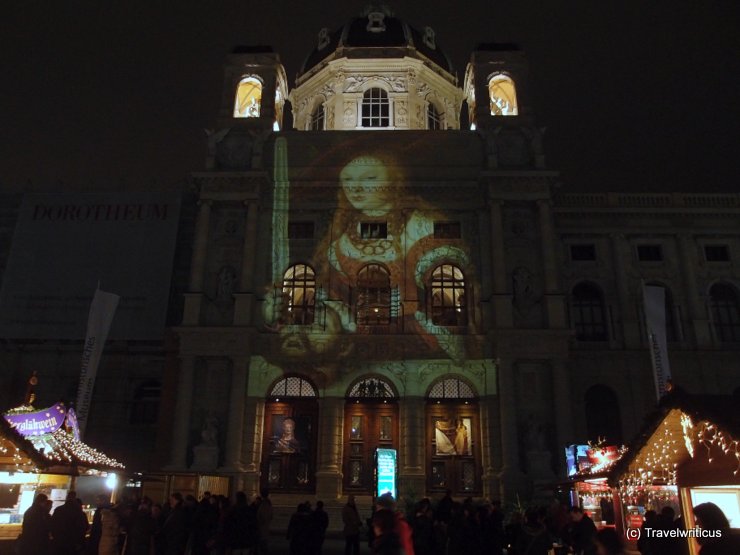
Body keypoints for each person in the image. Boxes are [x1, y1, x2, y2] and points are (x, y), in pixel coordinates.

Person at [256, 488, 273, 554]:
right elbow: (271, 515)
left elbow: (260, 515)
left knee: (262, 543)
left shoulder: (263, 504)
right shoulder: (269, 504)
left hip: (261, 526)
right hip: (265, 526)